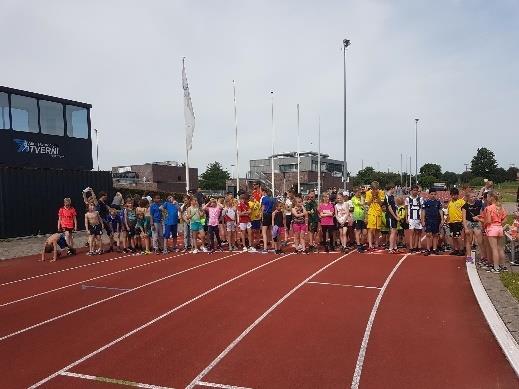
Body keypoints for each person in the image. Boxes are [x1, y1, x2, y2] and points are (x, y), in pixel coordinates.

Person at [483, 191, 507, 272]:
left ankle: (496, 267)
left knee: (494, 249)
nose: (487, 199)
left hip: (492, 228)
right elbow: (505, 219)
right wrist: (499, 223)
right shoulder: (500, 207)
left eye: (488, 197)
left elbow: (489, 221)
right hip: (500, 228)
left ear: (491, 198)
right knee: (500, 248)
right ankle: (503, 265)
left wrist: (484, 224)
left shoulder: (489, 208)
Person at [462, 192, 485, 263]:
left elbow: (482, 214)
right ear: (468, 198)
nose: (473, 198)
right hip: (469, 222)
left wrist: (481, 221)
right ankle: (469, 256)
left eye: (474, 196)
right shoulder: (465, 206)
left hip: (477, 222)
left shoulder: (479, 203)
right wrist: (465, 227)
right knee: (469, 240)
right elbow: (464, 218)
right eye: (471, 197)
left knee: (480, 239)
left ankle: (482, 255)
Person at [421, 189, 443, 255]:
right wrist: (422, 220)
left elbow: (440, 211)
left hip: (436, 220)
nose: (433, 195)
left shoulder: (438, 202)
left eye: (434, 194)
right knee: (428, 234)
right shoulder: (426, 202)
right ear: (429, 194)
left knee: (435, 235)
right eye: (431, 194)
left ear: (436, 194)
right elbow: (423, 211)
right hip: (428, 220)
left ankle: (434, 249)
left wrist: (442, 219)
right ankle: (428, 249)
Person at [365, 181, 385, 251]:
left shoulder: (381, 192)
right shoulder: (368, 193)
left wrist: (377, 196)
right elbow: (368, 203)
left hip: (378, 212)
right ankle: (370, 245)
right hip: (371, 213)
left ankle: (376, 244)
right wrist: (372, 196)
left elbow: (381, 203)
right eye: (373, 189)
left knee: (377, 229)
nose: (375, 190)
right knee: (371, 229)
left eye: (376, 189)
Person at [447, 187, 465, 256]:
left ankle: (461, 249)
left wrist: (464, 220)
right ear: (451, 195)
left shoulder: (461, 202)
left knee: (458, 236)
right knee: (453, 236)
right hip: (451, 222)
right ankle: (456, 249)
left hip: (458, 221)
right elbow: (449, 212)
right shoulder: (450, 203)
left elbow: (465, 211)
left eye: (455, 195)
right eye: (452, 195)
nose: (454, 196)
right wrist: (448, 219)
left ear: (458, 195)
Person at [406, 185, 424, 253]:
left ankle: (415, 246)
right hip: (411, 218)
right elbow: (406, 209)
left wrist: (422, 219)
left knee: (417, 233)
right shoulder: (408, 199)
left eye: (416, 190)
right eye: (414, 190)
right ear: (411, 191)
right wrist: (406, 218)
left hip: (418, 218)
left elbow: (422, 210)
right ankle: (411, 247)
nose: (415, 192)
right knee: (411, 233)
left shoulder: (420, 199)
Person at [384, 185, 399, 253]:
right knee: (392, 232)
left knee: (394, 232)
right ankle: (390, 248)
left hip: (394, 216)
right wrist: (395, 216)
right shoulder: (387, 197)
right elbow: (389, 208)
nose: (395, 190)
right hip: (390, 216)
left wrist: (397, 215)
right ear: (391, 189)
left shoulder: (392, 197)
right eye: (394, 189)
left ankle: (395, 247)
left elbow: (395, 207)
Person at [261, 188, 276, 253]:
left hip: (266, 215)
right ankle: (273, 246)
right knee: (271, 231)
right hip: (271, 215)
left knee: (264, 232)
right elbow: (274, 208)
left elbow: (263, 208)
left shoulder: (264, 198)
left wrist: (261, 217)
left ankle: (265, 248)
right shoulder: (273, 199)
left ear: (265, 192)